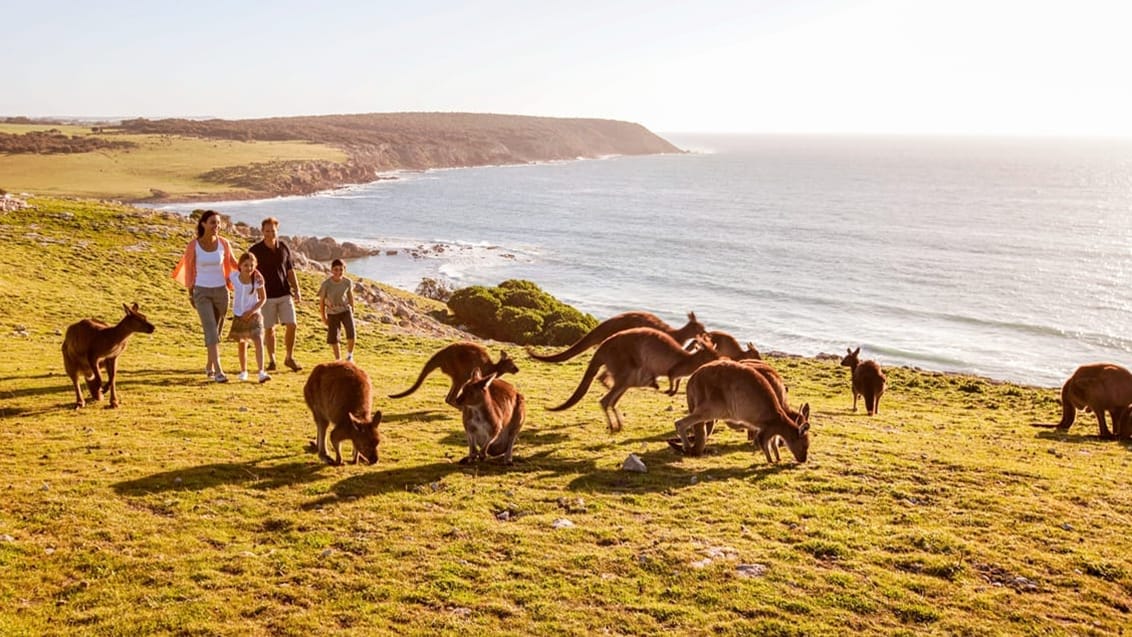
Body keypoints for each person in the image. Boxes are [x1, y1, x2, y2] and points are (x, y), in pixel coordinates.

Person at [171, 209, 239, 383]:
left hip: (222, 292)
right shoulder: (193, 245)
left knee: (217, 331)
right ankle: (218, 371)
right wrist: (190, 293)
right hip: (201, 291)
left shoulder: (224, 243)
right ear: (203, 224)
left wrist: (252, 273)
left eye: (218, 223)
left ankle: (209, 365)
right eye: (212, 222)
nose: (216, 226)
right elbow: (188, 269)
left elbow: (233, 263)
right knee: (210, 330)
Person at [249, 217, 303, 372]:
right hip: (266, 296)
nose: (270, 233)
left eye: (273, 230)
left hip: (285, 293)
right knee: (269, 329)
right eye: (267, 231)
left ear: (277, 231)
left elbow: (290, 270)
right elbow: (249, 272)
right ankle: (272, 360)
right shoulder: (255, 251)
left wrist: (297, 289)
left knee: (292, 324)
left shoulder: (284, 247)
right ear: (262, 231)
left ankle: (289, 357)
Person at [227, 252, 271, 383]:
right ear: (240, 266)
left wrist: (252, 311)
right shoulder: (234, 276)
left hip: (254, 315)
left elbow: (263, 298)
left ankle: (261, 372)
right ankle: (243, 371)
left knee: (258, 340)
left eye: (252, 265)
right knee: (242, 343)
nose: (249, 268)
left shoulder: (257, 280)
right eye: (246, 265)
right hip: (239, 314)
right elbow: (227, 276)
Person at [318, 258, 356, 361]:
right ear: (331, 270)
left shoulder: (348, 282)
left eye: (341, 270)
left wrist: (352, 308)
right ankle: (338, 359)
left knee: (351, 332)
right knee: (334, 338)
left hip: (345, 311)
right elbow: (321, 301)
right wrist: (323, 317)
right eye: (336, 269)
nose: (338, 272)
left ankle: (349, 356)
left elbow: (350, 295)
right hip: (332, 313)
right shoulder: (326, 284)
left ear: (344, 270)